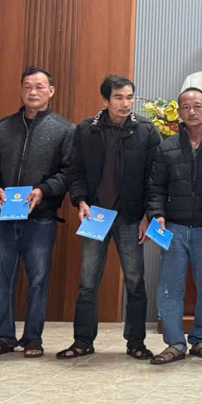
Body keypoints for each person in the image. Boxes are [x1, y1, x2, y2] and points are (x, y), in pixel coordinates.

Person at [57, 76, 159, 361]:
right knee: (88, 280)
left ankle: (136, 342)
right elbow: (74, 171)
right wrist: (80, 201)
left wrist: (149, 216)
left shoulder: (147, 131)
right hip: (96, 214)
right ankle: (83, 341)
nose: (126, 103)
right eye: (119, 98)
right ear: (105, 100)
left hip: (131, 216)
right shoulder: (85, 130)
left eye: (130, 97)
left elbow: (154, 178)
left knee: (135, 281)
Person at [0, 66, 74, 359]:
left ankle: (33, 337)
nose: (33, 92)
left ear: (51, 91)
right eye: (28, 87)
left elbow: (69, 172)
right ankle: (3, 336)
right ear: (21, 90)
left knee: (39, 278)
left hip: (40, 217)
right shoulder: (4, 126)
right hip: (3, 216)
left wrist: (44, 189)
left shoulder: (64, 129)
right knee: (0, 278)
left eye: (40, 87)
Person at [146, 87, 202, 365]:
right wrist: (158, 214)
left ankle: (200, 339)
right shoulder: (166, 146)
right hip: (174, 228)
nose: (192, 112)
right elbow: (155, 187)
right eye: (186, 107)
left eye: (198, 106)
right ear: (178, 112)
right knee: (170, 287)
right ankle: (175, 343)